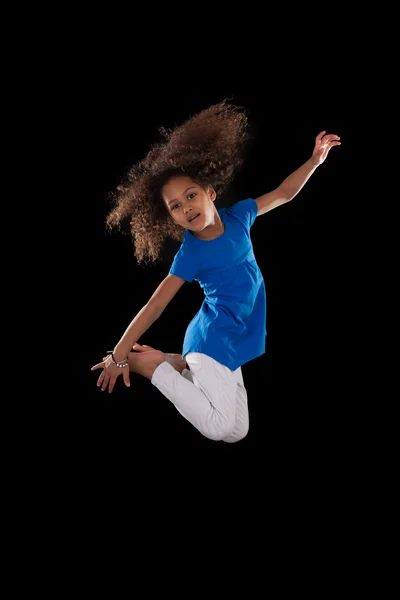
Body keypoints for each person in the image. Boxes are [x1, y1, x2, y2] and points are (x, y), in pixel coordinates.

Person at [91, 101, 340, 442]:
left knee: (238, 429)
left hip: (235, 337)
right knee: (222, 428)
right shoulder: (191, 253)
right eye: (175, 206)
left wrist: (314, 161)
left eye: (191, 195)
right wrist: (119, 355)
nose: (185, 207)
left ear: (210, 191)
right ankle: (157, 368)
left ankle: (177, 364)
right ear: (171, 218)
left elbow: (283, 193)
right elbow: (155, 305)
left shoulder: (239, 217)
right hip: (212, 340)